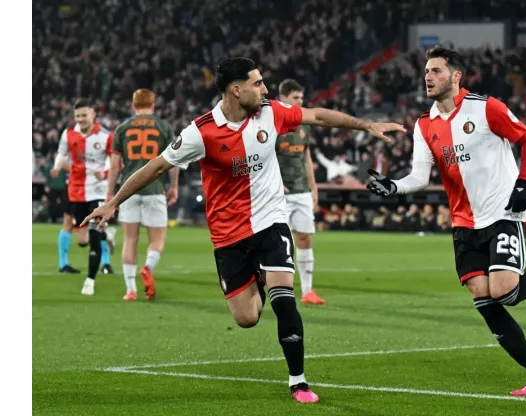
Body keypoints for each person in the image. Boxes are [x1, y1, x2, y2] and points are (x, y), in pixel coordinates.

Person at [82, 57, 405, 403]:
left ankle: (299, 381)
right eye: (258, 83)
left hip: (270, 221)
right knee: (247, 318)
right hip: (228, 234)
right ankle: (259, 278)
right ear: (236, 90)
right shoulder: (201, 132)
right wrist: (113, 202)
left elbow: (318, 116)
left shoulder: (271, 112)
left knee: (284, 299)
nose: (265, 89)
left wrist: (365, 125)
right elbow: (157, 166)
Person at [365, 45, 526, 396]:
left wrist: (523, 184)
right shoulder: (424, 124)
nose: (428, 77)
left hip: (502, 212)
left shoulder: (486, 107)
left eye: (436, 71)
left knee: (505, 293)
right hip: (464, 224)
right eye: (427, 71)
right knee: (484, 299)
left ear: (456, 76)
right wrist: (393, 187)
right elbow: (420, 176)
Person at [108, 88, 179, 301]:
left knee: (130, 239)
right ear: (153, 105)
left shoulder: (122, 129)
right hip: (154, 189)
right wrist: (173, 185)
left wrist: (111, 196)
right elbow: (174, 160)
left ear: (133, 105)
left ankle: (130, 290)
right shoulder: (163, 127)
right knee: (157, 240)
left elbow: (114, 167)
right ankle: (148, 267)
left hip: (128, 190)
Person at [51, 99, 114, 295]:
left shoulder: (105, 136)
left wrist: (104, 174)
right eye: (77, 116)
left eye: (84, 115)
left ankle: (91, 279)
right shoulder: (69, 134)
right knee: (81, 239)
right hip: (76, 190)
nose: (80, 119)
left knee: (93, 235)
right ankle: (107, 236)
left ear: (93, 114)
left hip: (97, 191)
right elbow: (61, 154)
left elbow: (113, 162)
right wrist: (56, 166)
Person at [275, 79, 323, 305]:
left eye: (301, 98)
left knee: (305, 237)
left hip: (301, 190)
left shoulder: (304, 124)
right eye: (296, 98)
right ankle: (274, 289)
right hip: (276, 193)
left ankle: (307, 291)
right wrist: (274, 181)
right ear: (283, 98)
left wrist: (314, 187)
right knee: (276, 242)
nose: (300, 102)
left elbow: (306, 157)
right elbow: (263, 157)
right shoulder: (271, 123)